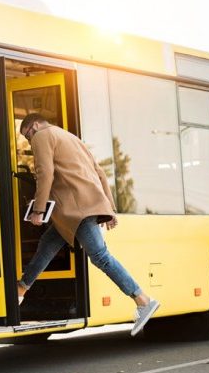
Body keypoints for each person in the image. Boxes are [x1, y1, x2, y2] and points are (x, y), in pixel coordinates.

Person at [17, 113, 159, 337]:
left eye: (28, 136)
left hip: (77, 211)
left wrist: (38, 209)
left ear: (35, 125)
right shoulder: (71, 138)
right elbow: (99, 172)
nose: (30, 142)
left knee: (100, 256)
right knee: (47, 243)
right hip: (79, 209)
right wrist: (109, 208)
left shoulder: (43, 135)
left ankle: (142, 299)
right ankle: (21, 288)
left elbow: (45, 173)